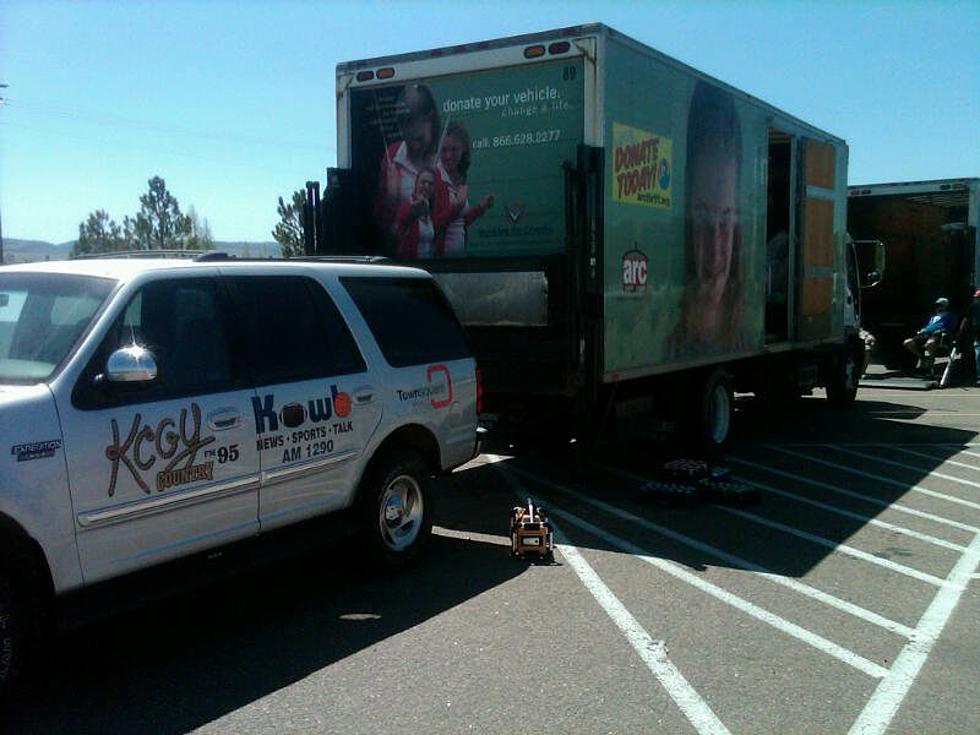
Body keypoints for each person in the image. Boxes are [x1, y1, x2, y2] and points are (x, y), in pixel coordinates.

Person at [668, 81, 744, 357]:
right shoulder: (667, 343)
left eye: (726, 220)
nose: (715, 247)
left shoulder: (743, 335)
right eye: (701, 215)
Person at [373, 84, 447, 250]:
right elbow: (380, 226)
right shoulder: (392, 155)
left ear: (431, 117)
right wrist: (391, 197)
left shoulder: (447, 155)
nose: (414, 147)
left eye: (420, 139)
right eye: (408, 139)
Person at [437, 122, 494, 255]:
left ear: (464, 149)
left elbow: (458, 223)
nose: (448, 156)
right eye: (444, 150)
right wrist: (456, 208)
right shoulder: (434, 179)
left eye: (454, 149)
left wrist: (481, 207)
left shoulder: (458, 176)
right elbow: (430, 228)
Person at [395, 167, 442, 259]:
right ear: (416, 184)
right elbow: (404, 218)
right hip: (411, 265)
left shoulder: (432, 210)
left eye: (430, 184)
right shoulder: (406, 206)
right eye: (423, 182)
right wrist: (415, 208)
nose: (426, 186)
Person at [904, 297, 957, 373]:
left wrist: (941, 330)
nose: (937, 307)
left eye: (940, 305)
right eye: (937, 305)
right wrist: (922, 330)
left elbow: (951, 327)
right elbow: (927, 326)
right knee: (908, 342)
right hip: (925, 333)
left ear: (945, 306)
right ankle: (922, 358)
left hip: (938, 334)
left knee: (929, 344)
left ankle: (931, 360)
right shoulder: (933, 316)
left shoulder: (950, 315)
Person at [956, 287, 980, 386]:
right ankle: (979, 377)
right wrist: (960, 331)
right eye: (977, 297)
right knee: (978, 355)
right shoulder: (973, 307)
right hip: (978, 334)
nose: (977, 299)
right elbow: (966, 319)